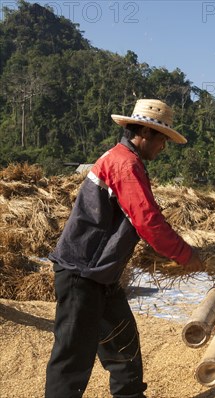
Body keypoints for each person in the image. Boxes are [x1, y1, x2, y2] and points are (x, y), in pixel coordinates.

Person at [45, 99, 206, 398]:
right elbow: (147, 220)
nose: (163, 147)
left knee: (123, 345)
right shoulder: (124, 163)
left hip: (103, 276)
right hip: (82, 274)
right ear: (145, 132)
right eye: (162, 139)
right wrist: (186, 255)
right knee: (72, 358)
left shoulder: (128, 161)